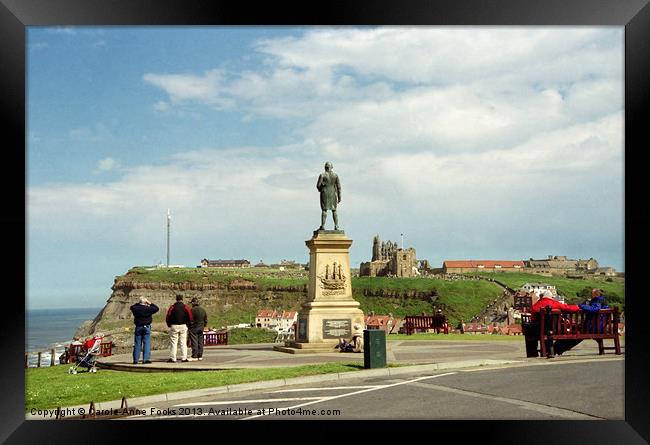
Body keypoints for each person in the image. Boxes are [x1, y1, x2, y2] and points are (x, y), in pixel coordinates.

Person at [555, 289, 609, 355]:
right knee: (576, 331)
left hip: (593, 328)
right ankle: (558, 349)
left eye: (591, 294)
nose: (590, 296)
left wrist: (580, 306)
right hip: (599, 327)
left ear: (595, 294)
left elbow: (594, 309)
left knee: (574, 332)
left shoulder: (597, 300)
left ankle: (557, 349)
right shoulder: (603, 301)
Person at [528, 291, 580, 358]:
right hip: (555, 330)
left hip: (539, 330)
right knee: (571, 331)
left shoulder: (535, 306)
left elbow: (532, 319)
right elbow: (568, 308)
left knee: (529, 331)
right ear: (551, 297)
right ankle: (556, 349)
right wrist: (578, 307)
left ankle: (533, 354)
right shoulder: (555, 303)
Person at [130, 296, 159, 364]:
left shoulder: (135, 308)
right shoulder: (148, 309)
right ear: (145, 302)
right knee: (146, 343)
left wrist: (139, 303)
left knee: (137, 344)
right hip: (147, 327)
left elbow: (132, 307)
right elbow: (156, 308)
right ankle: (145, 359)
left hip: (138, 327)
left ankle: (135, 360)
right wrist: (149, 303)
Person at [165, 294, 193, 363]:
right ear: (182, 299)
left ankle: (173, 358)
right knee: (183, 342)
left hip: (174, 325)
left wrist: (169, 325)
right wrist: (189, 325)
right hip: (183, 325)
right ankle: (184, 357)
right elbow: (190, 317)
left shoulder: (172, 307)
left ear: (176, 299)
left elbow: (168, 316)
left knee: (173, 342)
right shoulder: (186, 307)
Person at [316, 161, 341, 231]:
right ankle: (336, 226)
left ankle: (323, 225)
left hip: (325, 193)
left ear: (325, 167)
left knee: (324, 210)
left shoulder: (322, 175)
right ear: (331, 167)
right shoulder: (335, 175)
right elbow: (339, 187)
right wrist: (339, 196)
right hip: (333, 194)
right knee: (334, 210)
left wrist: (321, 187)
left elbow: (318, 186)